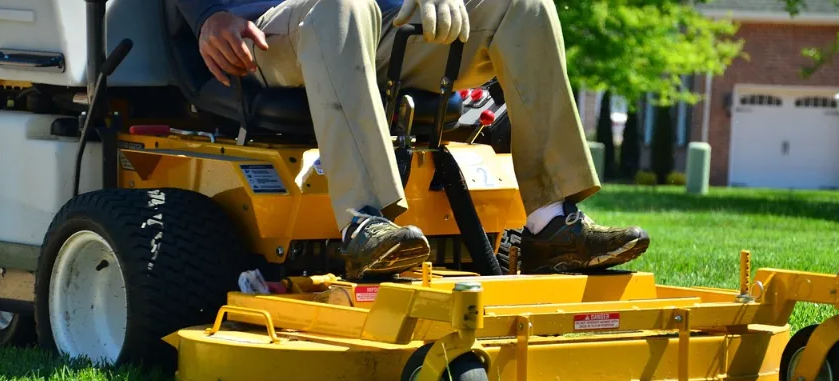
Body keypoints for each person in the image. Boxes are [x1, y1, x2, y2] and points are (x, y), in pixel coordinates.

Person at [175, 0, 650, 279]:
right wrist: (207, 15)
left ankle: (552, 225)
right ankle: (365, 224)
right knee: (342, 8)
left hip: (379, 24)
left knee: (523, 7)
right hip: (265, 33)